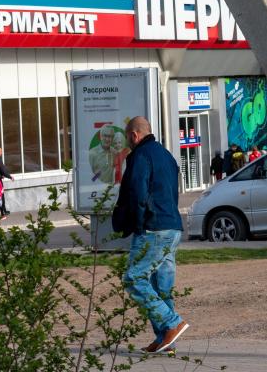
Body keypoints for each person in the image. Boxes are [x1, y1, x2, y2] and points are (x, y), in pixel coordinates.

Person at [112, 116, 189, 355]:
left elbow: (137, 193)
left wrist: (135, 224)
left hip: (152, 228)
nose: (128, 142)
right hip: (172, 227)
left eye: (128, 138)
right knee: (160, 286)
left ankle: (172, 323)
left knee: (134, 279)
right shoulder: (166, 155)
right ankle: (165, 340)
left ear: (134, 136)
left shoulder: (140, 156)